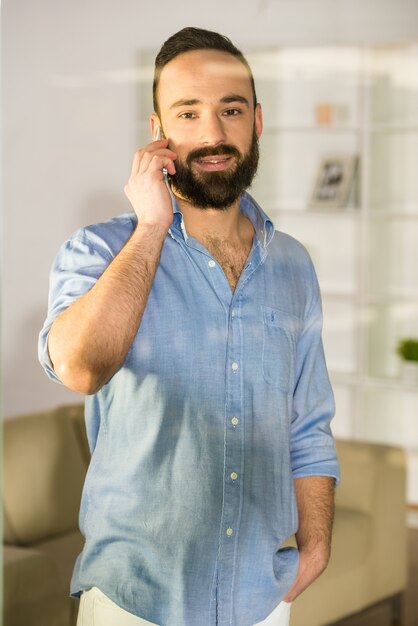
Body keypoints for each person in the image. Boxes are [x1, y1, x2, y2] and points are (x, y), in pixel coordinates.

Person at [39, 27, 340, 626]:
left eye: (230, 110)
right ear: (159, 133)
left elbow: (307, 424)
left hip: (262, 602)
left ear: (257, 121)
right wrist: (151, 228)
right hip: (135, 604)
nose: (212, 133)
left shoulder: (293, 265)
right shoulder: (99, 251)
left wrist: (316, 544)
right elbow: (79, 366)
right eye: (188, 111)